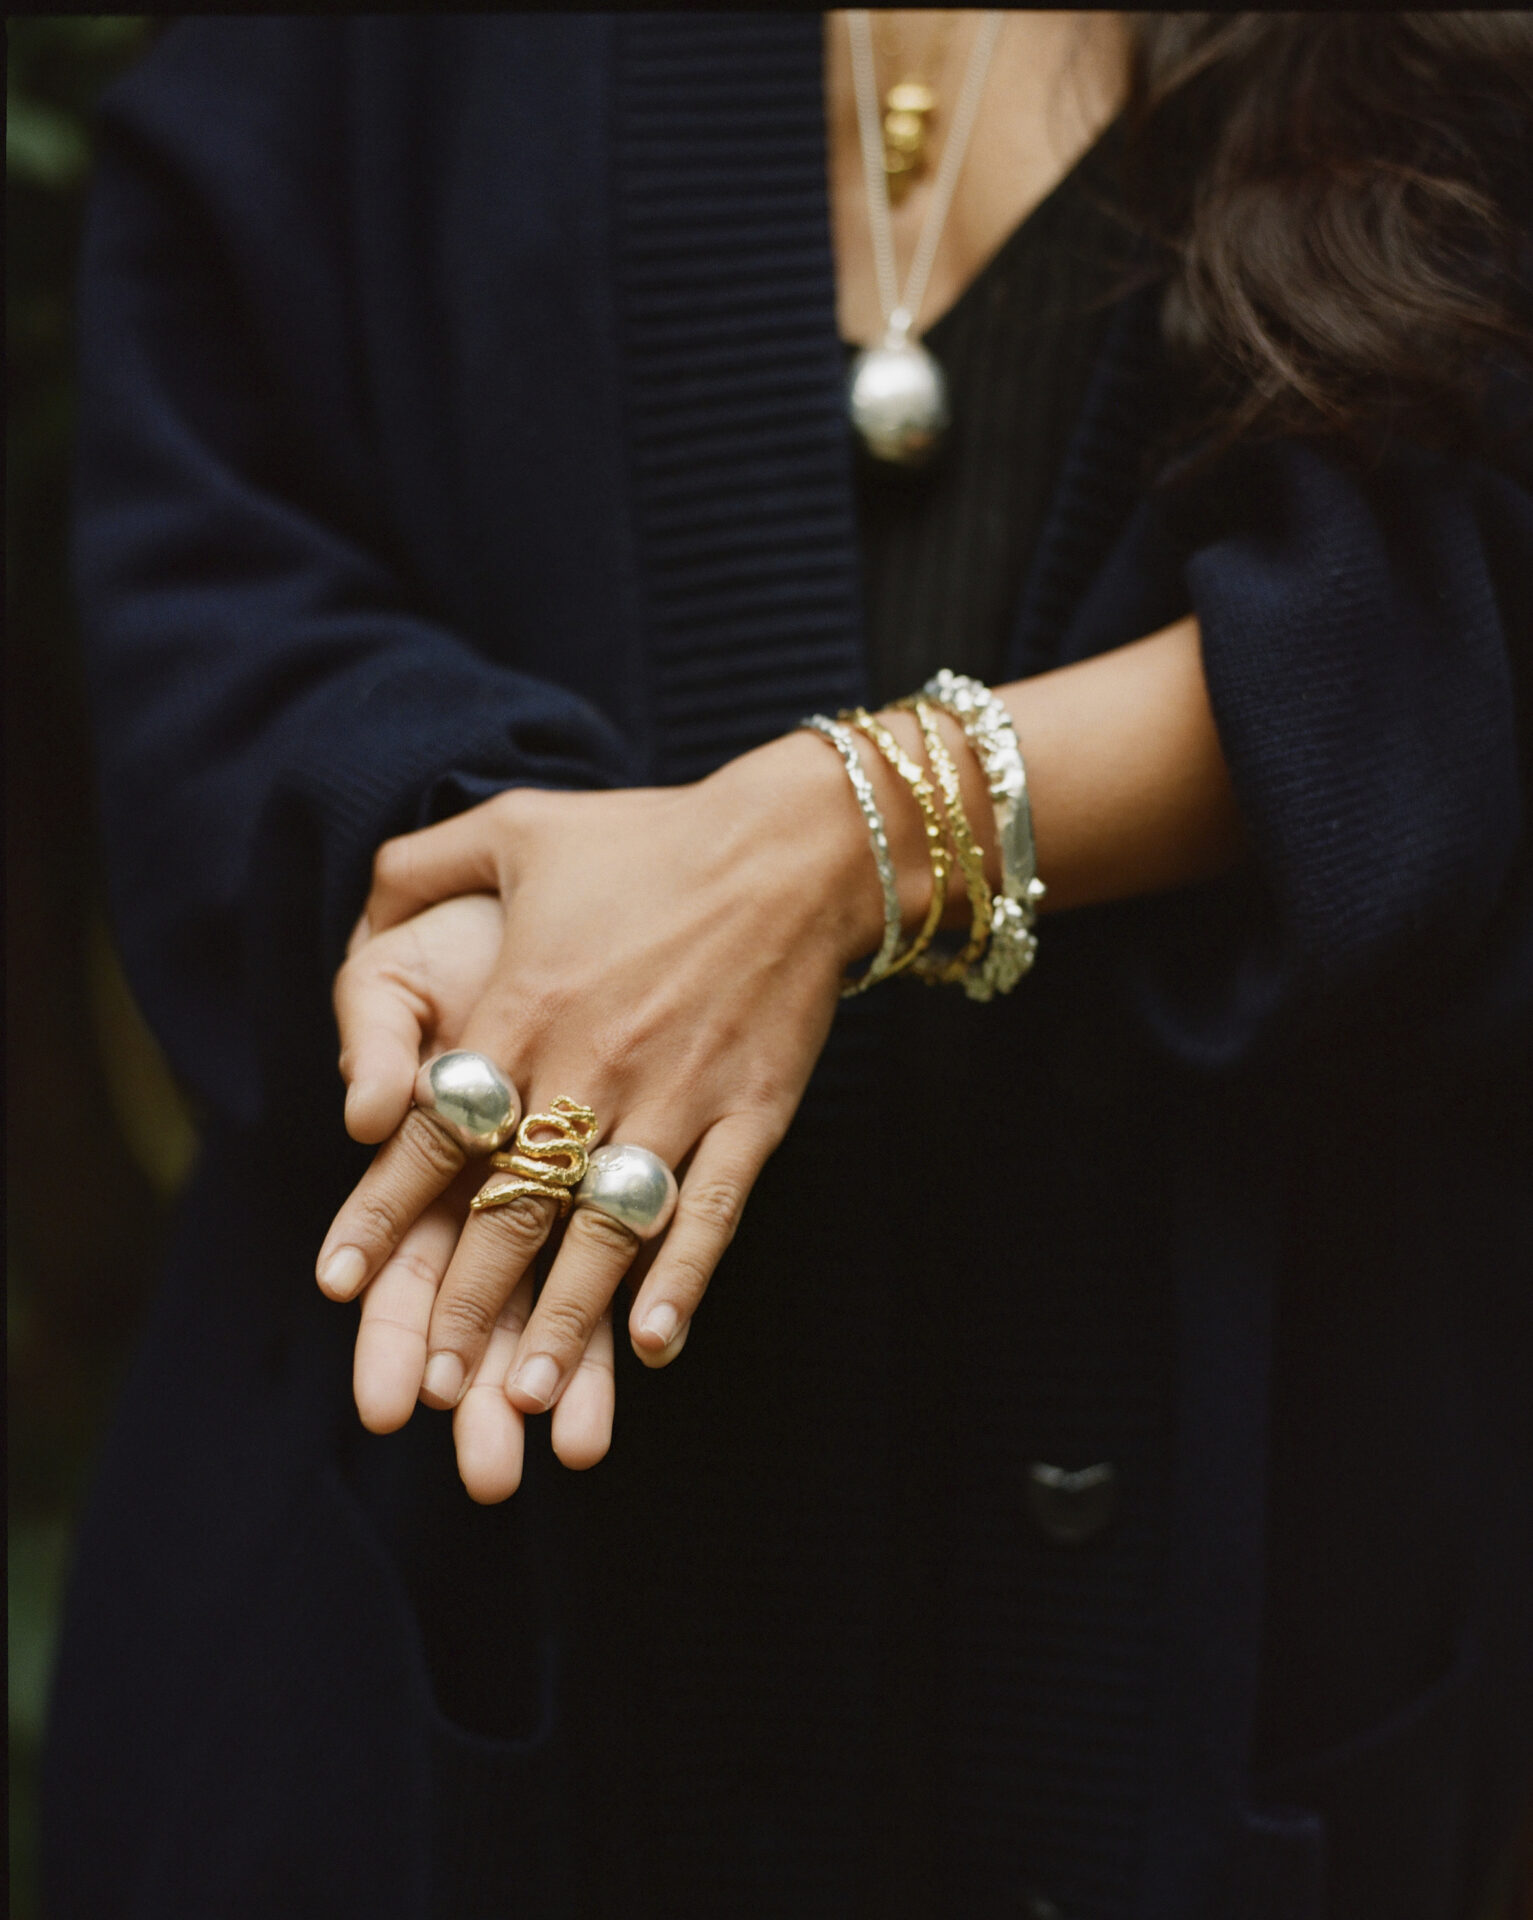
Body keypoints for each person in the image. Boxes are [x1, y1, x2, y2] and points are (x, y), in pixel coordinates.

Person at [43, 13, 1533, 1918]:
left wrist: (840, 841)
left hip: (1224, 1652)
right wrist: (499, 889)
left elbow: (1477, 632)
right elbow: (209, 563)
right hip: (438, 1654)